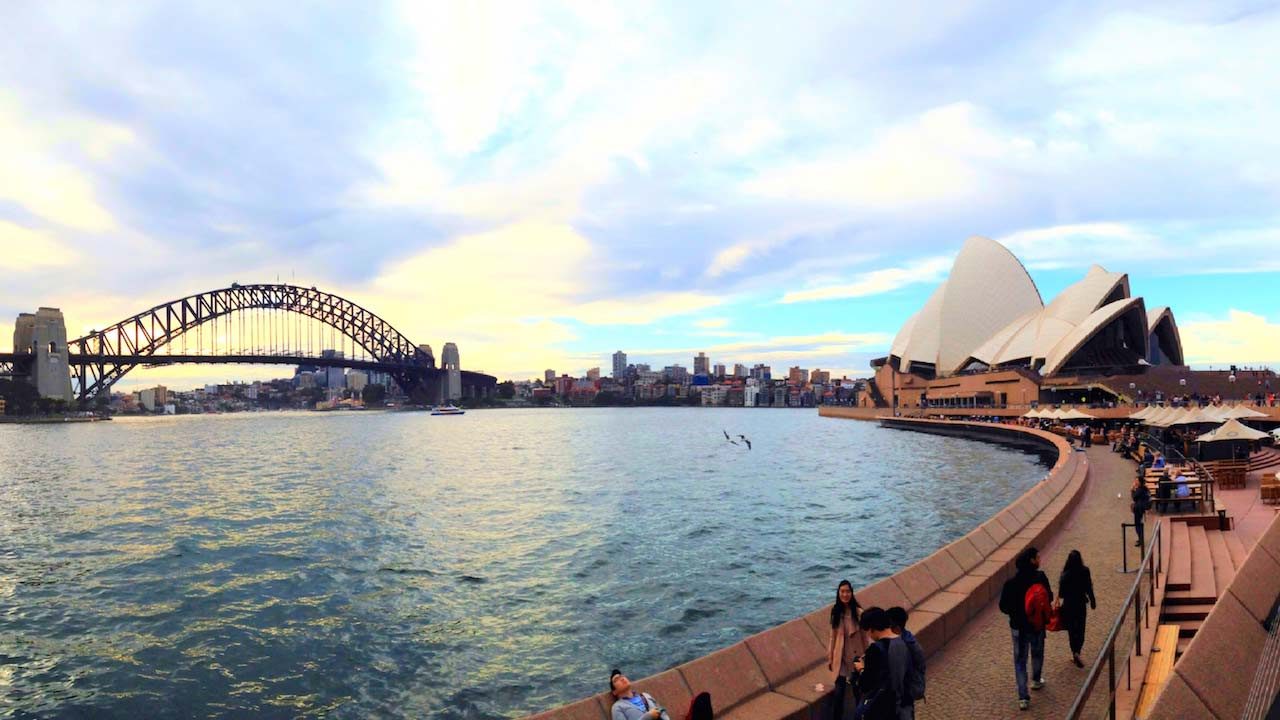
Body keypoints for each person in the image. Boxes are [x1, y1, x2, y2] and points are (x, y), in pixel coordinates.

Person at [999, 547, 1053, 711]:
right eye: (1037, 557)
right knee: (1037, 652)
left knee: (1020, 661)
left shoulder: (1010, 583)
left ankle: (1023, 697)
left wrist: (1016, 614)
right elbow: (1049, 596)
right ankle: (1036, 680)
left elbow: (1003, 606)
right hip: (1037, 624)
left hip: (1018, 627)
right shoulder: (1040, 577)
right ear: (1031, 560)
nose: (1039, 559)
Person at [851, 608, 908, 720]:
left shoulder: (875, 649)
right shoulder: (903, 642)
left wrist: (861, 669)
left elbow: (867, 684)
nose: (869, 636)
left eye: (868, 631)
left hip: (881, 706)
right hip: (901, 703)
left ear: (872, 629)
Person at [826, 579, 866, 720]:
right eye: (842, 591)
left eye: (847, 591)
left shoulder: (859, 613)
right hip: (841, 658)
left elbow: (865, 638)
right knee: (839, 694)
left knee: (858, 693)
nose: (845, 594)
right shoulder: (835, 612)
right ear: (838, 593)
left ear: (851, 593)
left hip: (856, 658)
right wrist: (830, 657)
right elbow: (833, 636)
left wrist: (865, 658)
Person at [1057, 550, 1097, 668]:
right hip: (1080, 604)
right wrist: (1093, 601)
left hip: (1069, 605)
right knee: (1080, 628)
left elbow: (1062, 594)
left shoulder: (1065, 574)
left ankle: (1074, 651)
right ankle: (1078, 651)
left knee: (1071, 630)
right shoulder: (1085, 571)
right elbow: (1089, 587)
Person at [887, 607, 926, 719]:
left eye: (889, 626)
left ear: (897, 628)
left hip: (904, 695)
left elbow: (898, 675)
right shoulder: (908, 638)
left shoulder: (904, 646)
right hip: (908, 693)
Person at [1131, 477, 1151, 547]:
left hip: (1138, 508)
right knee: (1138, 523)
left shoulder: (1140, 490)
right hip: (1141, 508)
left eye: (1137, 480)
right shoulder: (1144, 488)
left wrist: (1133, 490)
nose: (1135, 482)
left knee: (1137, 524)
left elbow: (1134, 498)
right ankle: (1140, 538)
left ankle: (1140, 539)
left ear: (1140, 482)